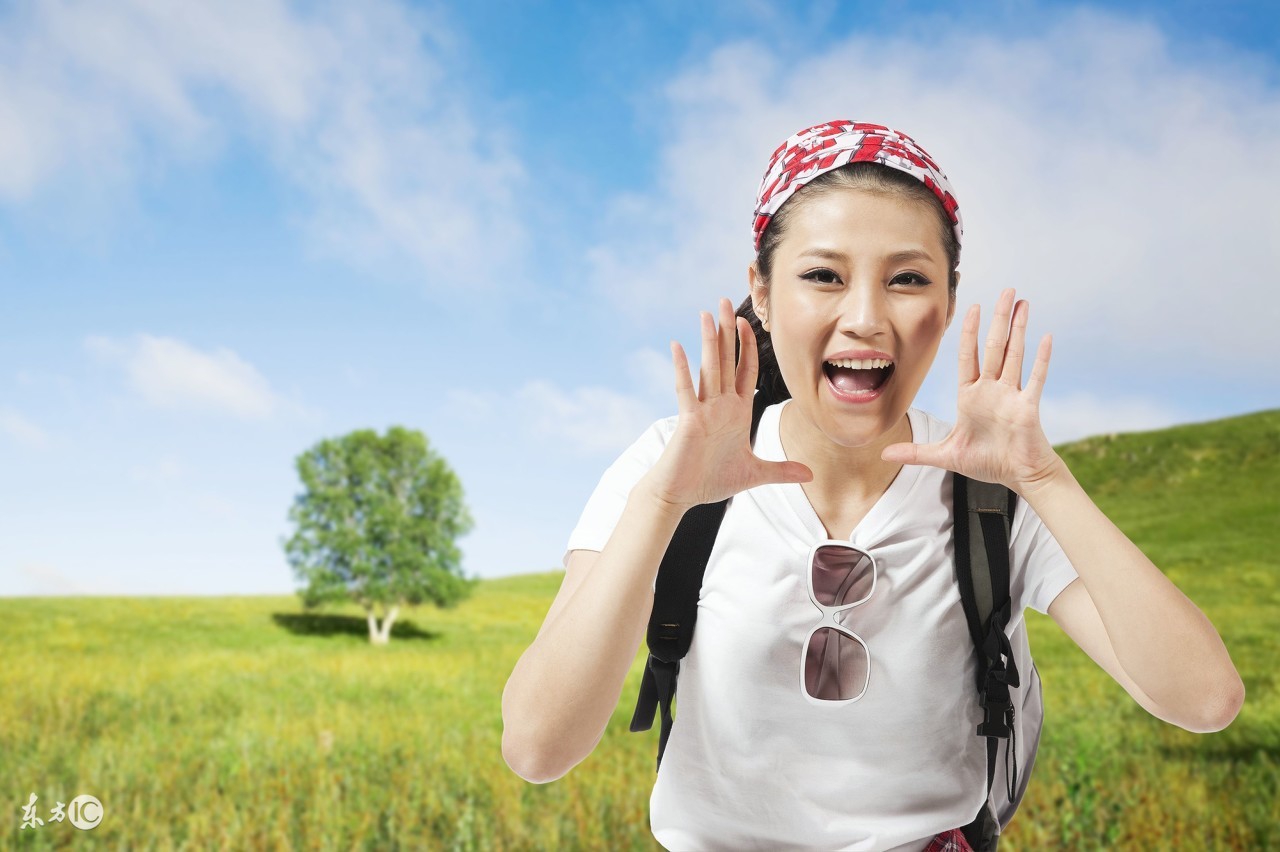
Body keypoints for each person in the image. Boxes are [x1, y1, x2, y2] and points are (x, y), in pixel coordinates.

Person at [500, 119, 1244, 851]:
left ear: (946, 303)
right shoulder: (669, 463)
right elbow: (537, 748)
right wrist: (665, 504)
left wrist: (1043, 479)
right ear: (761, 292)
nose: (864, 318)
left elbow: (1204, 699)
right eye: (823, 276)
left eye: (907, 280)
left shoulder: (989, 490)